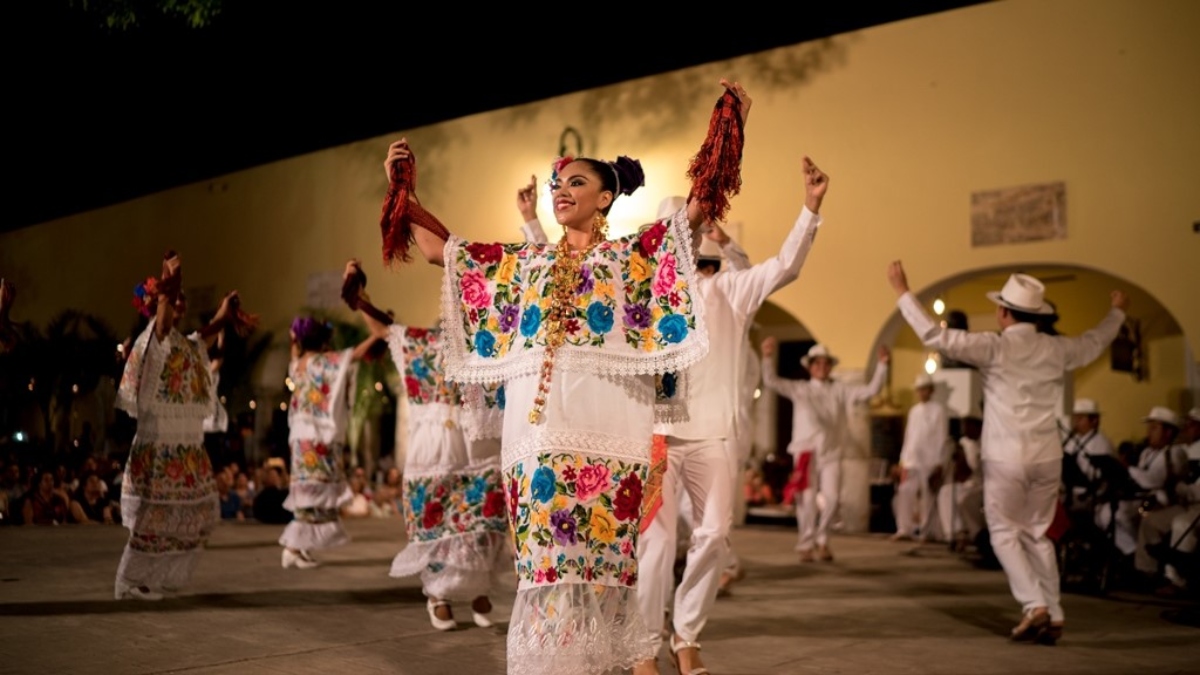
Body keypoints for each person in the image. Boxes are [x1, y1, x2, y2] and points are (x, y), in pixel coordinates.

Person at [380, 79, 751, 675]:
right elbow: (442, 252)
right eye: (558, 182)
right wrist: (403, 187)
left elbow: (697, 210)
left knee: (603, 570)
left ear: (606, 197)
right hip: (538, 444)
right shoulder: (525, 265)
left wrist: (728, 123)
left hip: (610, 440)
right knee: (547, 571)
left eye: (576, 181)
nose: (561, 191)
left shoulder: (631, 259)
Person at [634, 156, 827, 675]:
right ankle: (642, 646)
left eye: (687, 234)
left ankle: (686, 634)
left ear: (694, 240)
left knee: (715, 535)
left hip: (713, 436)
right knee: (654, 544)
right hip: (653, 438)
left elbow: (783, 266)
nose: (678, 242)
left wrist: (809, 209)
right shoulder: (639, 299)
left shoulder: (725, 293)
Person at [887, 261, 1126, 644]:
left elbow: (936, 337)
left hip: (1006, 455)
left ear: (1003, 312)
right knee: (1038, 534)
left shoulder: (993, 346)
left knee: (1003, 532)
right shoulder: (1056, 348)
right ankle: (1055, 611)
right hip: (1048, 455)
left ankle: (1035, 606)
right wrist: (1117, 311)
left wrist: (903, 292)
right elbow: (1095, 341)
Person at [343, 258, 511, 631]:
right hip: (435, 449)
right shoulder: (425, 345)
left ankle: (479, 590)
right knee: (436, 526)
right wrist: (361, 295)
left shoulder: (491, 349)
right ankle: (438, 595)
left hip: (479, 450)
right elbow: (387, 331)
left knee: (484, 522)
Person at [114, 252, 241, 600]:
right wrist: (172, 278)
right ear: (157, 304)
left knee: (191, 520)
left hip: (183, 448)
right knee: (152, 523)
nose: (179, 302)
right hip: (158, 448)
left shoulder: (187, 345)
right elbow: (166, 321)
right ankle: (129, 581)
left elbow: (209, 331)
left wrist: (225, 311)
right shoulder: (153, 341)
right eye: (172, 297)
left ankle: (153, 578)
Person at [279, 260, 388, 570]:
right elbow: (354, 355)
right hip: (318, 438)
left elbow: (294, 349)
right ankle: (291, 546)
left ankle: (298, 548)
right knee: (315, 491)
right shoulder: (326, 362)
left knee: (308, 493)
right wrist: (377, 334)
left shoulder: (297, 365)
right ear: (322, 341)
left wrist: (293, 338)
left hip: (301, 439)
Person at [761, 339, 890, 563]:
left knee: (831, 499)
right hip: (805, 452)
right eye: (817, 363)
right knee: (807, 500)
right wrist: (767, 357)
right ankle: (806, 544)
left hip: (831, 451)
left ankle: (822, 539)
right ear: (810, 367)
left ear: (830, 366)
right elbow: (771, 381)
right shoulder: (800, 389)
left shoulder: (840, 390)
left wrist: (882, 366)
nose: (821, 366)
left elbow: (870, 390)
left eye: (825, 363)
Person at [891, 374, 949, 542]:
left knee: (927, 497)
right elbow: (909, 437)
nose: (921, 393)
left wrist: (939, 463)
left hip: (930, 460)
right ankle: (904, 528)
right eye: (919, 390)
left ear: (931, 391)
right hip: (912, 460)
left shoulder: (939, 410)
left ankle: (927, 531)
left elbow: (941, 437)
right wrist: (903, 461)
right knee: (905, 492)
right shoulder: (914, 411)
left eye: (924, 389)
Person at [1061, 398, 1114, 513]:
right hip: (1069, 492)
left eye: (1080, 418)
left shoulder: (1101, 443)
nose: (1075, 422)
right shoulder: (1072, 440)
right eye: (1075, 418)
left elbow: (1099, 478)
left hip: (1087, 496)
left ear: (1094, 420)